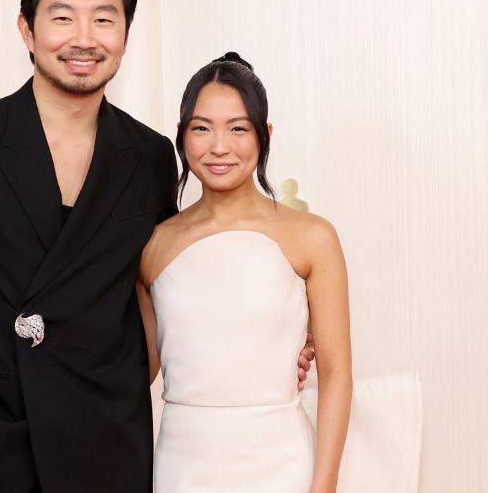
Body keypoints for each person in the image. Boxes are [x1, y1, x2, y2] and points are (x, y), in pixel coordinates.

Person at [0, 0, 314, 493]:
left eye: (104, 20)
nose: (84, 40)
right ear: (27, 29)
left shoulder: (152, 156)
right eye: (62, 17)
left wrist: (269, 345)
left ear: (125, 36)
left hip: (113, 441)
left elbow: (169, 288)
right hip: (2, 444)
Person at [137, 53, 353, 492]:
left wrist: (325, 484)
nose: (219, 146)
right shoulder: (154, 245)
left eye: (238, 128)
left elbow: (336, 373)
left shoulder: (312, 237)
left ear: (264, 135)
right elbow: (141, 368)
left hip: (282, 463)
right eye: (201, 128)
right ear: (181, 137)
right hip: (184, 464)